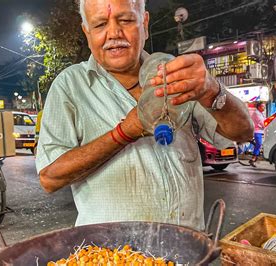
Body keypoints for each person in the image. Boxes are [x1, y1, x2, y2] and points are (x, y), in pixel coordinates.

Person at [36, 0, 253, 231]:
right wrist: (123, 133)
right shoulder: (70, 86)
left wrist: (211, 89)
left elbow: (243, 132)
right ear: (86, 32)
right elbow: (50, 178)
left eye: (126, 20)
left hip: (186, 248)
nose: (114, 33)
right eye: (100, 25)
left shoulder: (174, 73)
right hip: (113, 255)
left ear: (145, 23)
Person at [250, 102, 266, 166]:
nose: (264, 108)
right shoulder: (256, 113)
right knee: (259, 144)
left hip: (260, 131)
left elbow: (264, 121)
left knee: (259, 145)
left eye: (264, 106)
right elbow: (262, 123)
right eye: (263, 106)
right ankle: (253, 158)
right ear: (259, 107)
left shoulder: (261, 113)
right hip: (257, 131)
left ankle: (254, 159)